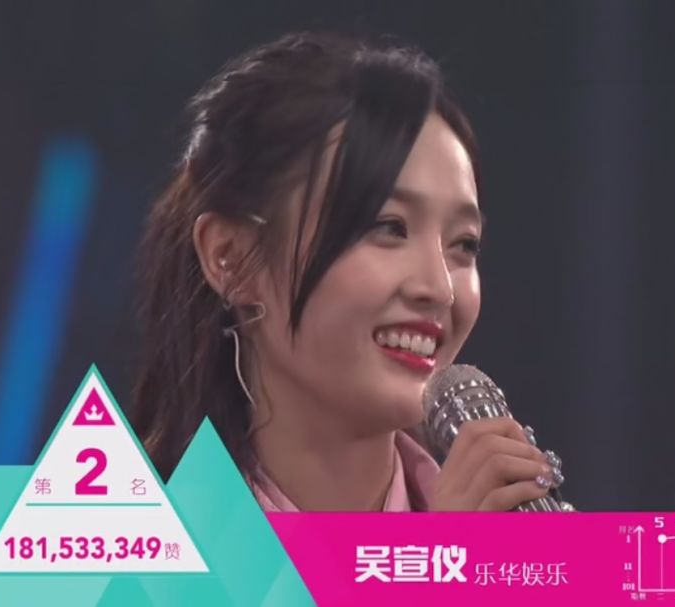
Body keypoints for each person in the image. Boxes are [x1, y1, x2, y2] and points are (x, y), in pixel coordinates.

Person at [132, 32, 561, 512]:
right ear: (229, 257)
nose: (440, 288)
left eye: (464, 244)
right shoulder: (122, 544)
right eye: (389, 227)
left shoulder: (502, 537)